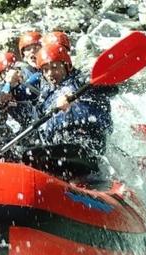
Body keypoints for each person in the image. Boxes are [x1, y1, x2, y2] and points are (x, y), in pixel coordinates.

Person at [24, 42, 118, 181]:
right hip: (62, 146)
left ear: (67, 66)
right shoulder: (46, 99)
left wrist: (75, 95)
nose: (50, 73)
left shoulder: (80, 80)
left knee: (37, 156)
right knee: (29, 155)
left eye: (55, 67)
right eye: (46, 69)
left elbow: (112, 88)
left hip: (88, 143)